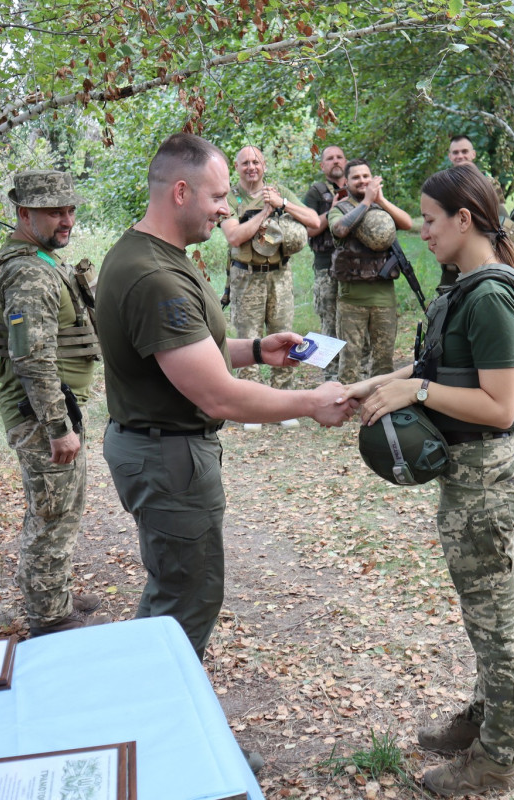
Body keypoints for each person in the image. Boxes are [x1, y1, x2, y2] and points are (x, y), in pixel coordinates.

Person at [95, 132, 356, 664]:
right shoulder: (155, 277)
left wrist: (259, 349)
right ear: (181, 192)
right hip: (167, 457)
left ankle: (150, 721)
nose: (226, 208)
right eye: (218, 197)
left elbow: (192, 351)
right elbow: (217, 395)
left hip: (162, 449)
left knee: (177, 594)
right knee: (183, 604)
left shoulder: (158, 255)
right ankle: (156, 733)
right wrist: (310, 403)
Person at [344, 163, 514, 794]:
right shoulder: (468, 286)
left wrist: (418, 388)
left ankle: (496, 760)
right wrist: (378, 384)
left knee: (497, 623)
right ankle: (484, 719)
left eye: (429, 220)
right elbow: (438, 365)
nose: (420, 231)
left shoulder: (487, 296)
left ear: (464, 220)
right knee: (483, 613)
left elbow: (499, 407)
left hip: (486, 472)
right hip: (471, 474)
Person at [0, 170, 106, 636]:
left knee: (62, 508)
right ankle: (49, 617)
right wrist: (58, 428)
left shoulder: (38, 258)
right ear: (24, 213)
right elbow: (32, 358)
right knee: (52, 513)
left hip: (54, 408)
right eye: (55, 211)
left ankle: (56, 594)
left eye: (70, 209)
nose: (66, 219)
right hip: (41, 416)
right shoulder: (30, 272)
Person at [220, 146, 319, 420]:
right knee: (249, 339)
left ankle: (284, 406)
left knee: (284, 334)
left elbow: (314, 221)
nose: (251, 167)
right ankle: (251, 408)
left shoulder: (278, 190)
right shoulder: (231, 196)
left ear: (264, 165)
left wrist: (282, 204)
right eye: (245, 163)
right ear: (236, 168)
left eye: (256, 162)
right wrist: (264, 212)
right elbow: (234, 237)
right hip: (246, 277)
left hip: (279, 275)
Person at [328, 159, 413, 383]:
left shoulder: (381, 207)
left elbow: (407, 223)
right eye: (356, 177)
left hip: (384, 300)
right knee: (350, 362)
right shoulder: (339, 209)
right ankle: (346, 410)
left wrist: (380, 200)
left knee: (383, 361)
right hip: (351, 301)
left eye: (366, 176)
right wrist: (366, 201)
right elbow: (340, 229)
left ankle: (380, 409)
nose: (362, 181)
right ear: (346, 182)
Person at [440, 135, 514, 289]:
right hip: (452, 269)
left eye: (464, 151)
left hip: (482, 266)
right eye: (455, 153)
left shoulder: (488, 183)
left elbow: (503, 222)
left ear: (473, 154)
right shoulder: (443, 184)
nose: (460, 156)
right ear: (450, 156)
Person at [303, 145, 347, 381]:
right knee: (329, 319)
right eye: (330, 158)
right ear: (323, 166)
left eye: (339, 157)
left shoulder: (358, 187)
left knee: (352, 320)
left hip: (355, 269)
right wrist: (332, 211)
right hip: (326, 267)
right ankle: (330, 373)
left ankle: (355, 369)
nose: (336, 161)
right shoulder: (316, 193)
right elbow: (309, 230)